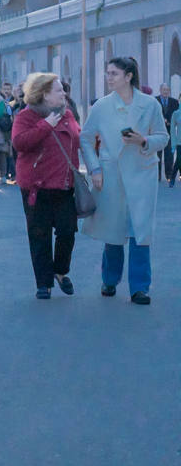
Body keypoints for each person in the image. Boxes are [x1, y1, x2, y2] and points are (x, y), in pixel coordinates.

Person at [80, 57, 168, 305]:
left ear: (128, 76)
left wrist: (143, 141)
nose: (108, 78)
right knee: (113, 229)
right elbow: (86, 138)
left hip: (142, 173)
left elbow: (163, 137)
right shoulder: (101, 106)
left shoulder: (150, 104)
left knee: (140, 232)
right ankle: (109, 279)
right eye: (107, 73)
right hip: (111, 173)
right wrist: (95, 169)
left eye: (114, 73)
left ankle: (140, 288)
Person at [12, 73, 80, 299]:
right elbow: (19, 143)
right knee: (39, 235)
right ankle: (44, 283)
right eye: (59, 90)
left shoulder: (67, 114)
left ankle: (60, 271)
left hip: (64, 185)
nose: (64, 94)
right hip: (36, 187)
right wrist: (45, 125)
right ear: (44, 94)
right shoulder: (26, 116)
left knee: (67, 231)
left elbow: (77, 140)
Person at [156, 84, 178, 181]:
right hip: (157, 132)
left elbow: (177, 115)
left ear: (169, 91)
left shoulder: (174, 102)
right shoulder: (154, 101)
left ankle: (169, 175)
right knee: (157, 155)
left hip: (170, 132)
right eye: (164, 90)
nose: (165, 92)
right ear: (160, 90)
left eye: (167, 90)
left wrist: (170, 122)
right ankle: (157, 176)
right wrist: (162, 120)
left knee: (169, 155)